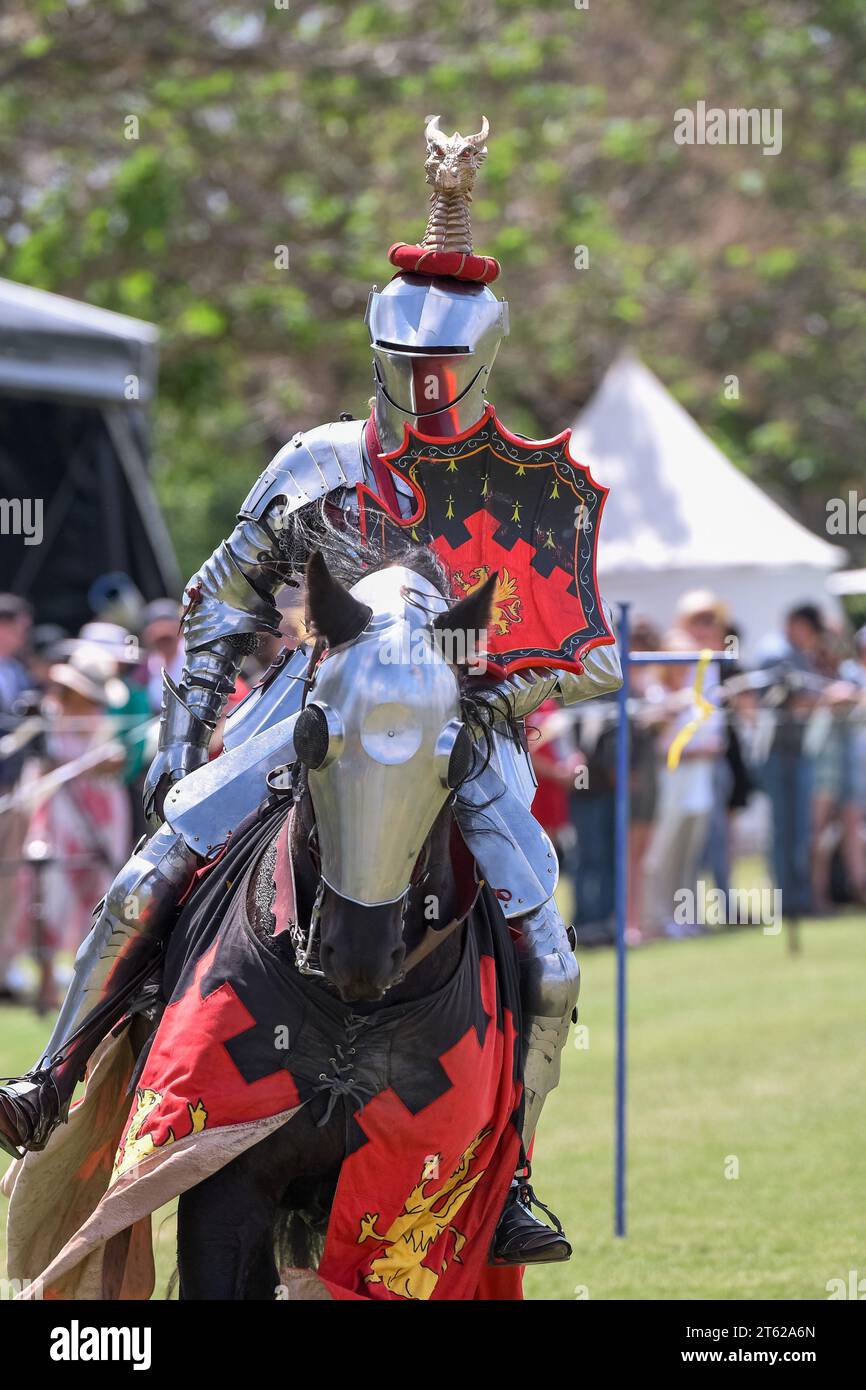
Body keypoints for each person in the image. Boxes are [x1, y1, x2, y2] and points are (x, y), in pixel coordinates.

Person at [0, 117, 622, 1265]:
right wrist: (187, 725)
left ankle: (515, 1171)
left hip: (459, 720)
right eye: (402, 366)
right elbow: (217, 597)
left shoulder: (522, 493)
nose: (417, 387)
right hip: (313, 696)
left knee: (552, 953)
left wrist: (483, 699)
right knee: (152, 869)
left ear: (479, 363)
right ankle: (54, 1072)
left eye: (437, 369)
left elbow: (591, 655)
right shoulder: (317, 461)